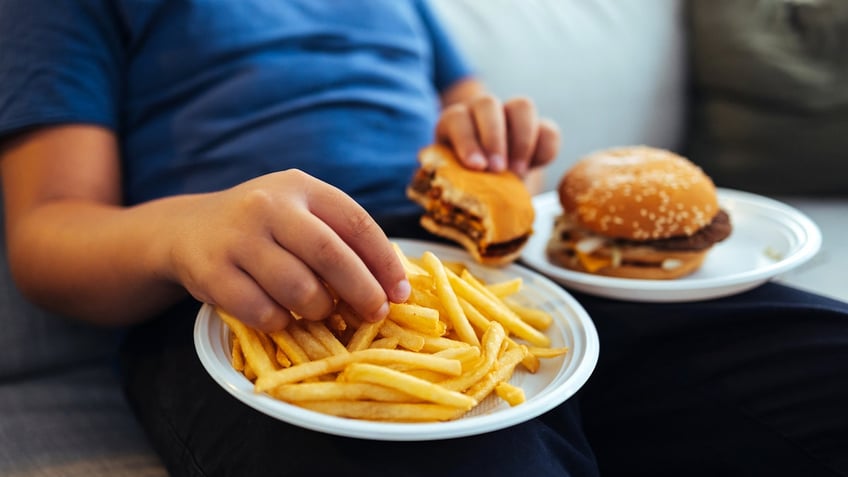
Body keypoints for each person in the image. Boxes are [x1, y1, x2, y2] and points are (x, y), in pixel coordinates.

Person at [1, 1, 847, 477]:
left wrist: (492, 138)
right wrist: (186, 227)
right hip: (250, 298)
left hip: (492, 275)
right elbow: (47, 234)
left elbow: (468, 119)